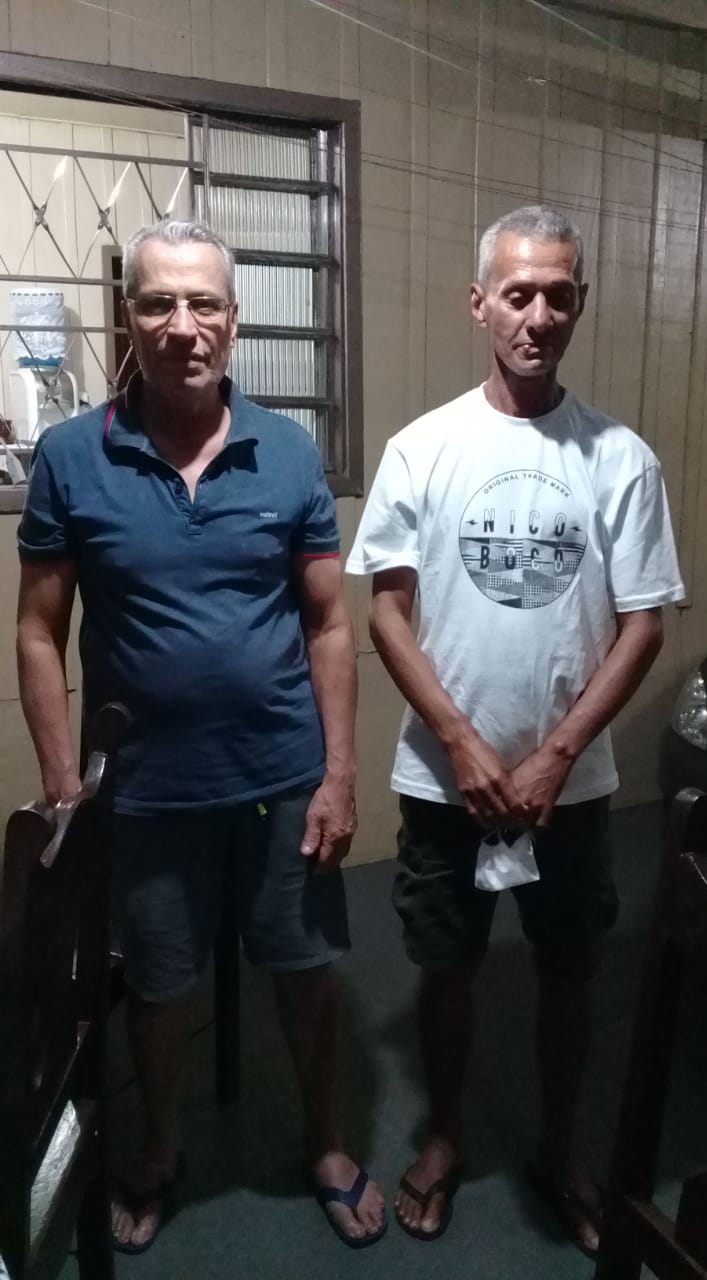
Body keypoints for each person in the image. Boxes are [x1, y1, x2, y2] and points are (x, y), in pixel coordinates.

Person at [16, 218, 385, 1254]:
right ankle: (161, 1142)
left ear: (234, 316)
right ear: (127, 316)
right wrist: (66, 785)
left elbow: (330, 624)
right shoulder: (71, 457)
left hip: (280, 779)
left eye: (205, 302)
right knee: (161, 985)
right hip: (144, 792)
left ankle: (324, 1138)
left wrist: (340, 773)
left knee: (306, 970)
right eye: (158, 302)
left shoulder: (289, 451)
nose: (184, 325)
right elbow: (39, 630)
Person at [346, 205, 684, 1256]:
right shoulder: (424, 447)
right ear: (479, 302)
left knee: (570, 971)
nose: (538, 316)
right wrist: (459, 739)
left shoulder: (619, 458)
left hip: (567, 789)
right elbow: (387, 611)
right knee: (446, 966)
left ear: (580, 305)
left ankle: (558, 1145)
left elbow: (643, 623)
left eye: (559, 296)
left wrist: (556, 754)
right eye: (518, 293)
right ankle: (447, 1133)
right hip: (444, 778)